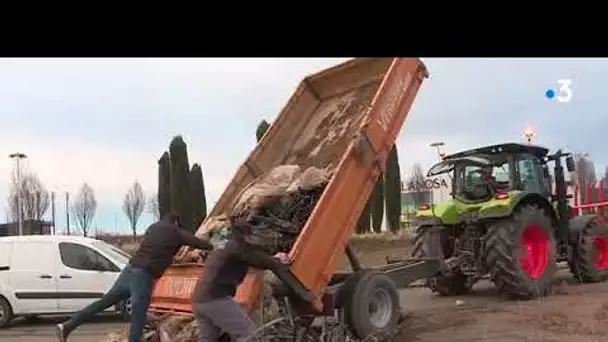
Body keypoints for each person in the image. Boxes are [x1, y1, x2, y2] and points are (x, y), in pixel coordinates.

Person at [56, 213, 214, 342]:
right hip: (143, 276)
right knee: (137, 321)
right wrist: (213, 246)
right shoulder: (176, 232)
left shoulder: (152, 229)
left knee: (103, 303)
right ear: (177, 223)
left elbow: (157, 251)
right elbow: (197, 242)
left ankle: (68, 325)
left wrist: (173, 258)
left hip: (129, 271)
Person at [191, 220, 292, 342]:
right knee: (249, 334)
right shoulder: (238, 247)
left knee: (210, 339)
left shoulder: (223, 244)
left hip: (198, 300)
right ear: (244, 236)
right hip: (215, 298)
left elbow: (247, 260)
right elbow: (259, 260)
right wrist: (276, 260)